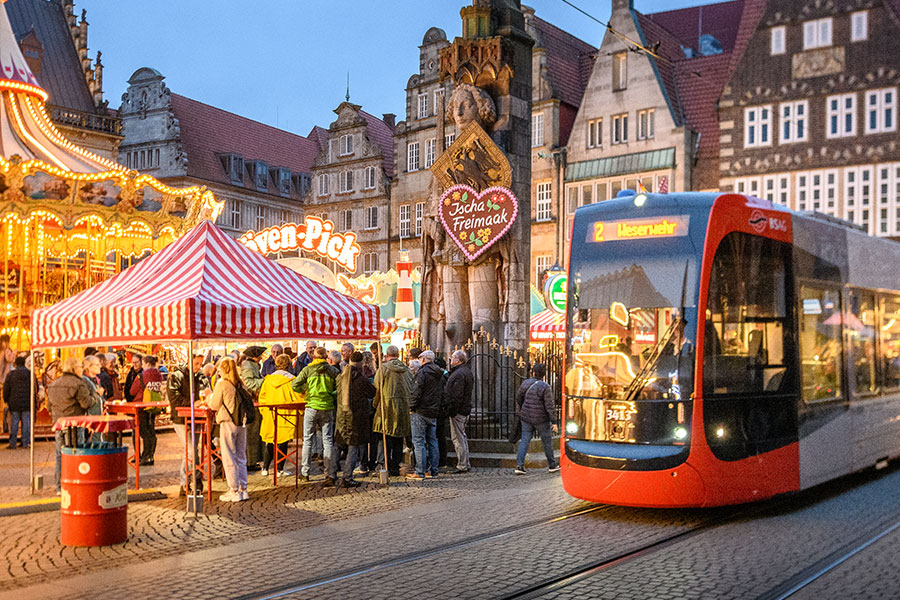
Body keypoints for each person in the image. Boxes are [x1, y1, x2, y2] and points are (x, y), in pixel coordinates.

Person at [292, 346, 338, 484]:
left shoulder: (307, 369)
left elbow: (294, 385)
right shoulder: (332, 371)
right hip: (327, 407)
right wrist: (331, 394)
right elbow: (339, 388)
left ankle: (305, 473)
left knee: (307, 440)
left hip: (311, 406)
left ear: (314, 357)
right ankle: (329, 473)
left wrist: (304, 391)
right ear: (326, 357)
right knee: (327, 440)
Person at [47, 357, 94, 493]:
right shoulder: (78, 384)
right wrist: (95, 398)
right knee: (75, 452)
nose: (82, 369)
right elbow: (86, 403)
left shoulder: (54, 384)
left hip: (59, 424)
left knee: (59, 454)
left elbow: (49, 406)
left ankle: (59, 486)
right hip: (74, 423)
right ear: (74, 368)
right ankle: (74, 483)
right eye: (80, 366)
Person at [207, 357, 249, 502]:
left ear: (223, 369)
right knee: (241, 455)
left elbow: (214, 404)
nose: (217, 370)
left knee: (229, 456)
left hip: (227, 422)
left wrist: (207, 398)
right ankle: (244, 489)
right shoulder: (240, 383)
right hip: (241, 423)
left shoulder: (222, 384)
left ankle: (234, 490)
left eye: (219, 368)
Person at [258, 354, 303, 476]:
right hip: (286, 415)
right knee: (282, 442)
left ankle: (265, 468)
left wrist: (264, 412)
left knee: (270, 441)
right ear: (288, 365)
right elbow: (298, 397)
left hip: (270, 414)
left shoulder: (268, 380)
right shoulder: (291, 380)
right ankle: (279, 469)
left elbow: (262, 398)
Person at [336, 351, 376, 487]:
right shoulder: (361, 379)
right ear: (361, 363)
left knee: (338, 446)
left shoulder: (341, 376)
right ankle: (347, 477)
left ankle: (331, 474)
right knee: (353, 447)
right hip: (356, 417)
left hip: (341, 416)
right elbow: (372, 392)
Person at [167, 354, 205, 496]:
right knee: (190, 449)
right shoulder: (176, 376)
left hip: (197, 417)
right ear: (189, 361)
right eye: (196, 363)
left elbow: (205, 390)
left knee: (193, 449)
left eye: (200, 364)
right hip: (181, 419)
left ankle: (193, 480)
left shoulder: (199, 376)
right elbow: (174, 398)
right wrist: (192, 403)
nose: (199, 367)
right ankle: (187, 481)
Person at [372, 345, 412, 476]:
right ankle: (395, 465)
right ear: (398, 355)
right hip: (403, 407)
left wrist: (375, 404)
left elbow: (377, 388)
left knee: (387, 437)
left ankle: (387, 464)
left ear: (386, 356)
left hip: (387, 407)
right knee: (399, 438)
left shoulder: (383, 369)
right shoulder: (407, 370)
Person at [514, 363, 559, 475]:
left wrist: (524, 407)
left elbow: (519, 397)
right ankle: (552, 465)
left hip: (526, 417)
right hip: (541, 419)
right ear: (543, 374)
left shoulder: (525, 383)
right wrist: (554, 421)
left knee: (524, 440)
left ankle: (519, 465)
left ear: (533, 372)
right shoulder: (545, 387)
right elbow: (549, 406)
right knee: (547, 442)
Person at [407, 350, 443, 480]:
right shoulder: (439, 373)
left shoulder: (422, 373)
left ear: (423, 359)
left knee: (419, 442)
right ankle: (434, 470)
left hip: (421, 411)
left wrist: (411, 407)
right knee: (432, 441)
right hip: (433, 411)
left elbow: (416, 392)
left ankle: (420, 471)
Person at [128, 354, 163, 466]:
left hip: (141, 407)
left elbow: (132, 391)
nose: (142, 366)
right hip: (153, 406)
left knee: (143, 432)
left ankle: (145, 456)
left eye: (142, 364)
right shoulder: (159, 375)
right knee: (151, 431)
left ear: (147, 364)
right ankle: (150, 456)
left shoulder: (141, 376)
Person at [445, 350, 474, 473]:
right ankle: (465, 463)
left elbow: (457, 396)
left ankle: (462, 464)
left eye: (452, 358)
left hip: (459, 411)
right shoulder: (465, 372)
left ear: (458, 360)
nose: (450, 360)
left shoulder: (459, 374)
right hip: (463, 409)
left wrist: (452, 411)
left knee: (458, 438)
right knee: (462, 436)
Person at [240, 346, 266, 472]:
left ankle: (254, 460)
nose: (262, 357)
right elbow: (249, 384)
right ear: (255, 356)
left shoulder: (253, 366)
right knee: (252, 434)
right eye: (260, 355)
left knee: (256, 433)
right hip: (251, 403)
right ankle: (250, 461)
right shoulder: (248, 366)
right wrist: (264, 381)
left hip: (255, 402)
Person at [4, 356, 35, 449]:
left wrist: (6, 399)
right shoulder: (30, 374)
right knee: (26, 423)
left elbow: (6, 389)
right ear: (24, 363)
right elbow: (34, 387)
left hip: (14, 403)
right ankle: (25, 443)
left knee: (14, 423)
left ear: (16, 364)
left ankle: (13, 443)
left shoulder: (10, 375)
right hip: (27, 403)